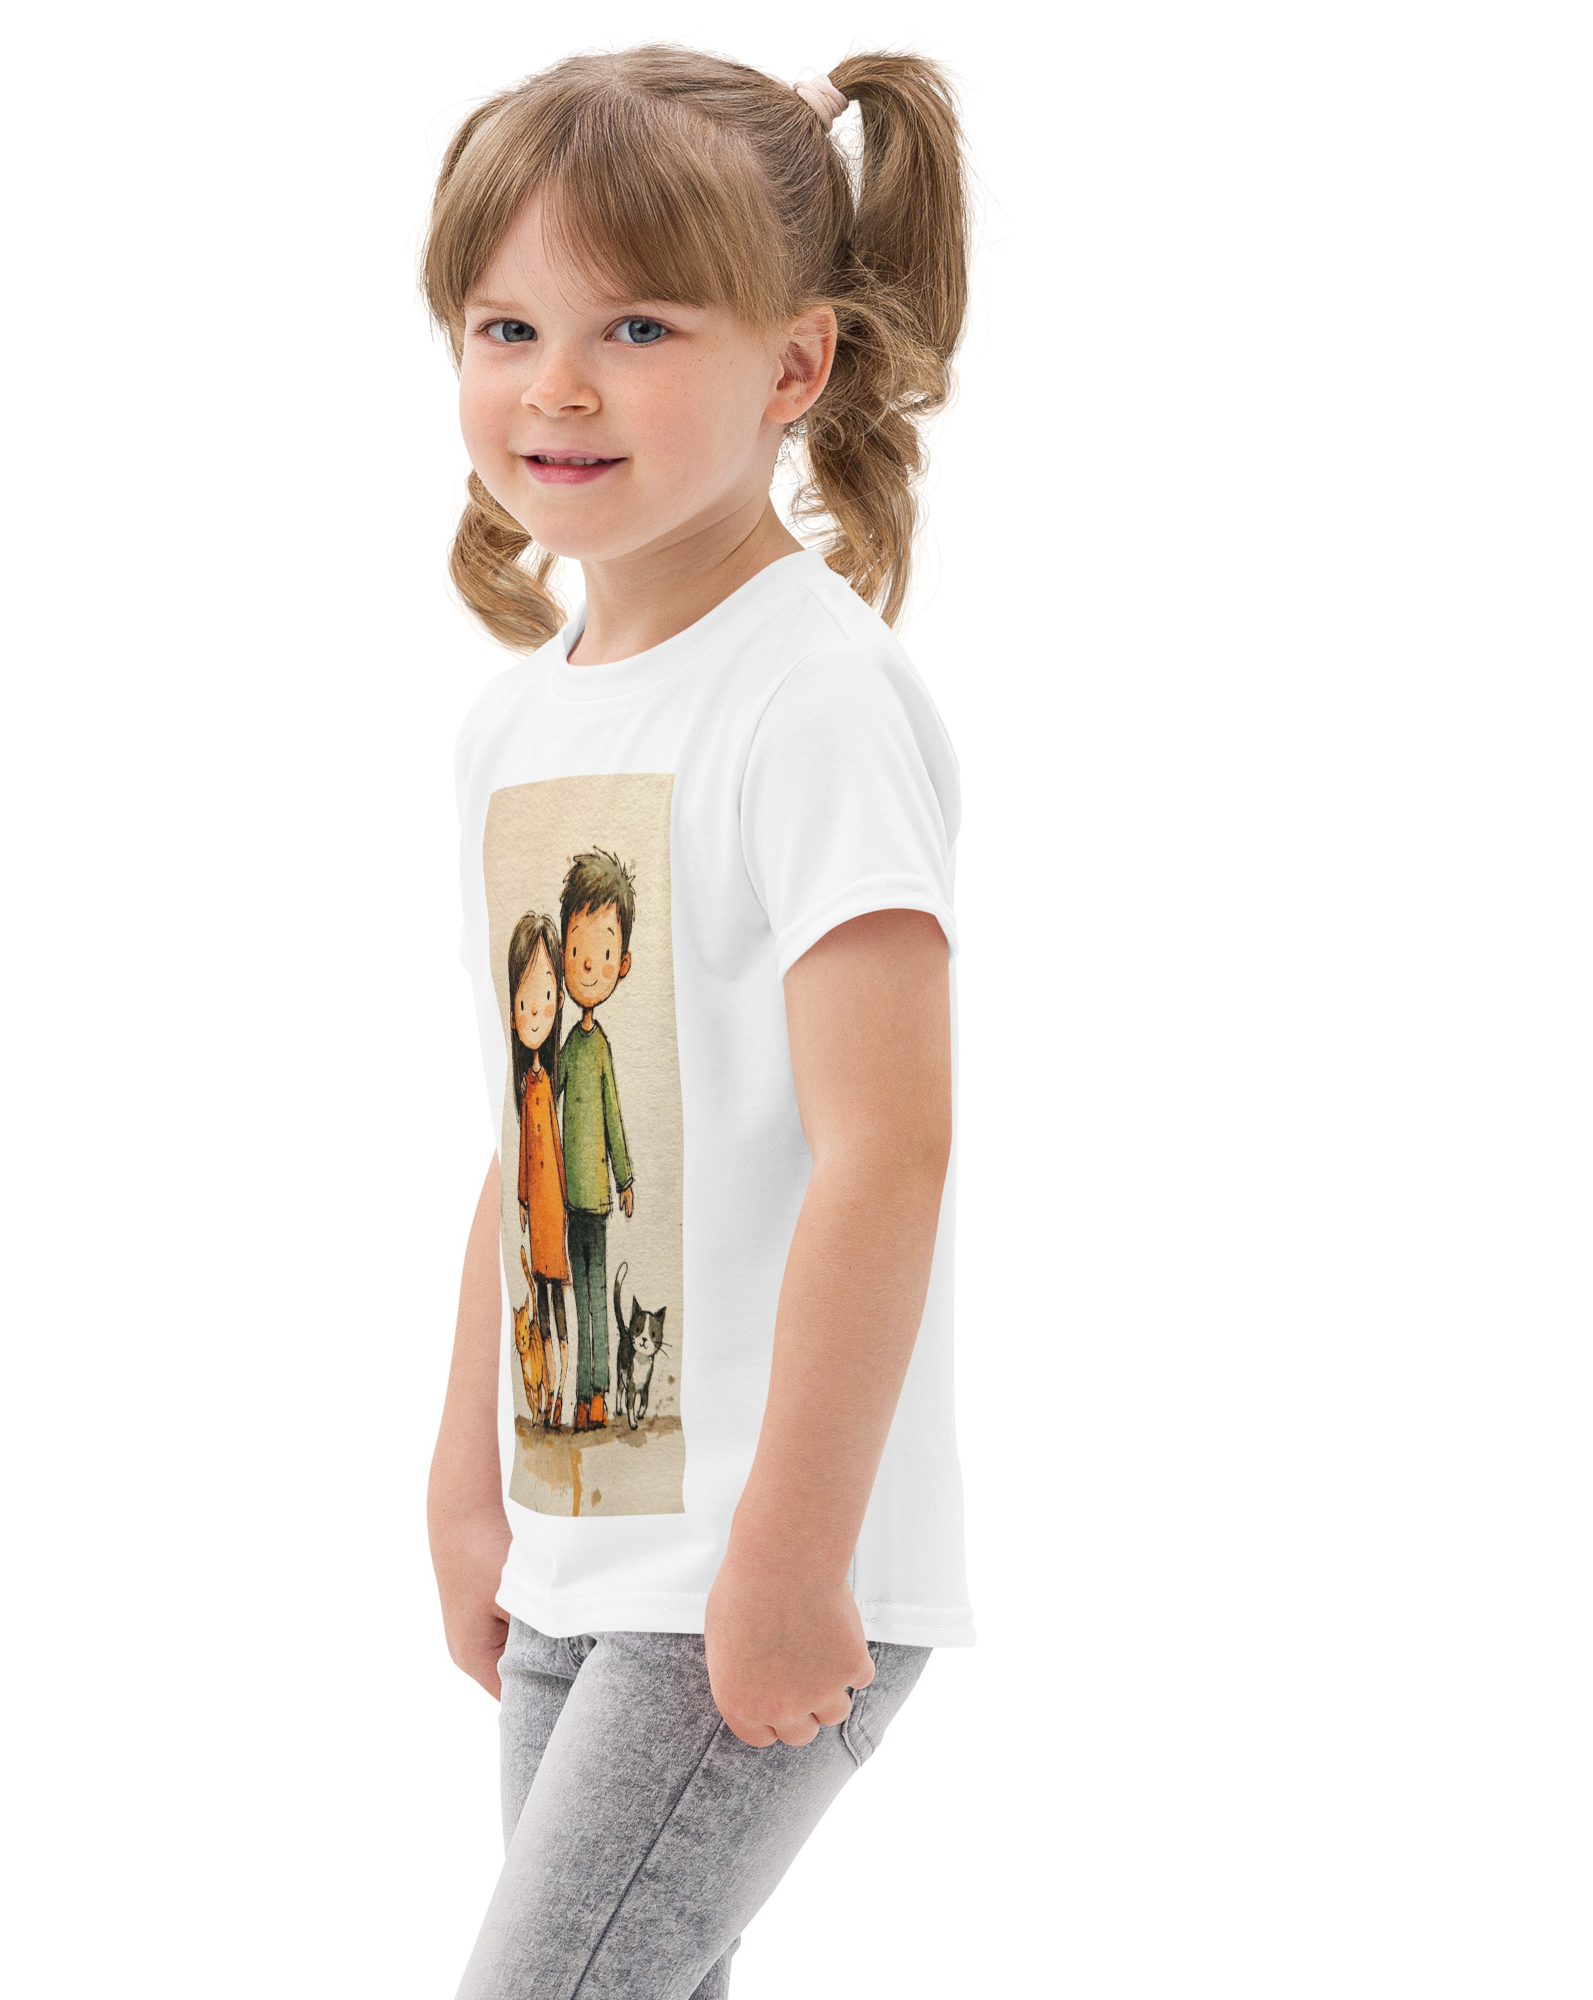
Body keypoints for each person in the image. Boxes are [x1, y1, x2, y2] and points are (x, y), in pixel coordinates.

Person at [423, 45, 975, 1997]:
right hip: (586, 1540)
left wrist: (793, 1551)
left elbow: (887, 1145)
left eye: (638, 327)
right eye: (509, 327)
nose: (557, 385)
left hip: (751, 1548)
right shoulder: (519, 724)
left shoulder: (809, 701)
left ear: (794, 364)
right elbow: (528, 1125)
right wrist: (469, 1474)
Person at [553, 846, 636, 1432]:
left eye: (602, 954)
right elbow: (545, 1087)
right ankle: (582, 1395)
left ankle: (599, 1393)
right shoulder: (569, 1047)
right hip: (567, 1198)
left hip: (597, 1199)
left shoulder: (600, 1047)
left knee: (596, 1296)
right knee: (580, 1296)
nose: (588, 966)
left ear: (621, 964)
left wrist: (625, 1178)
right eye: (578, 950)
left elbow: (613, 1116)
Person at [508, 910, 570, 1429]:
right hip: (539, 1209)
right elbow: (525, 1157)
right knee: (542, 1299)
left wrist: (557, 1202)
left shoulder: (545, 1086)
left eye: (546, 998)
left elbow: (553, 1151)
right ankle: (548, 1393)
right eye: (527, 1003)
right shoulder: (528, 1088)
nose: (537, 1012)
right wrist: (524, 1201)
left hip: (555, 1211)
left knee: (555, 1297)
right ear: (512, 1013)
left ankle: (561, 1391)